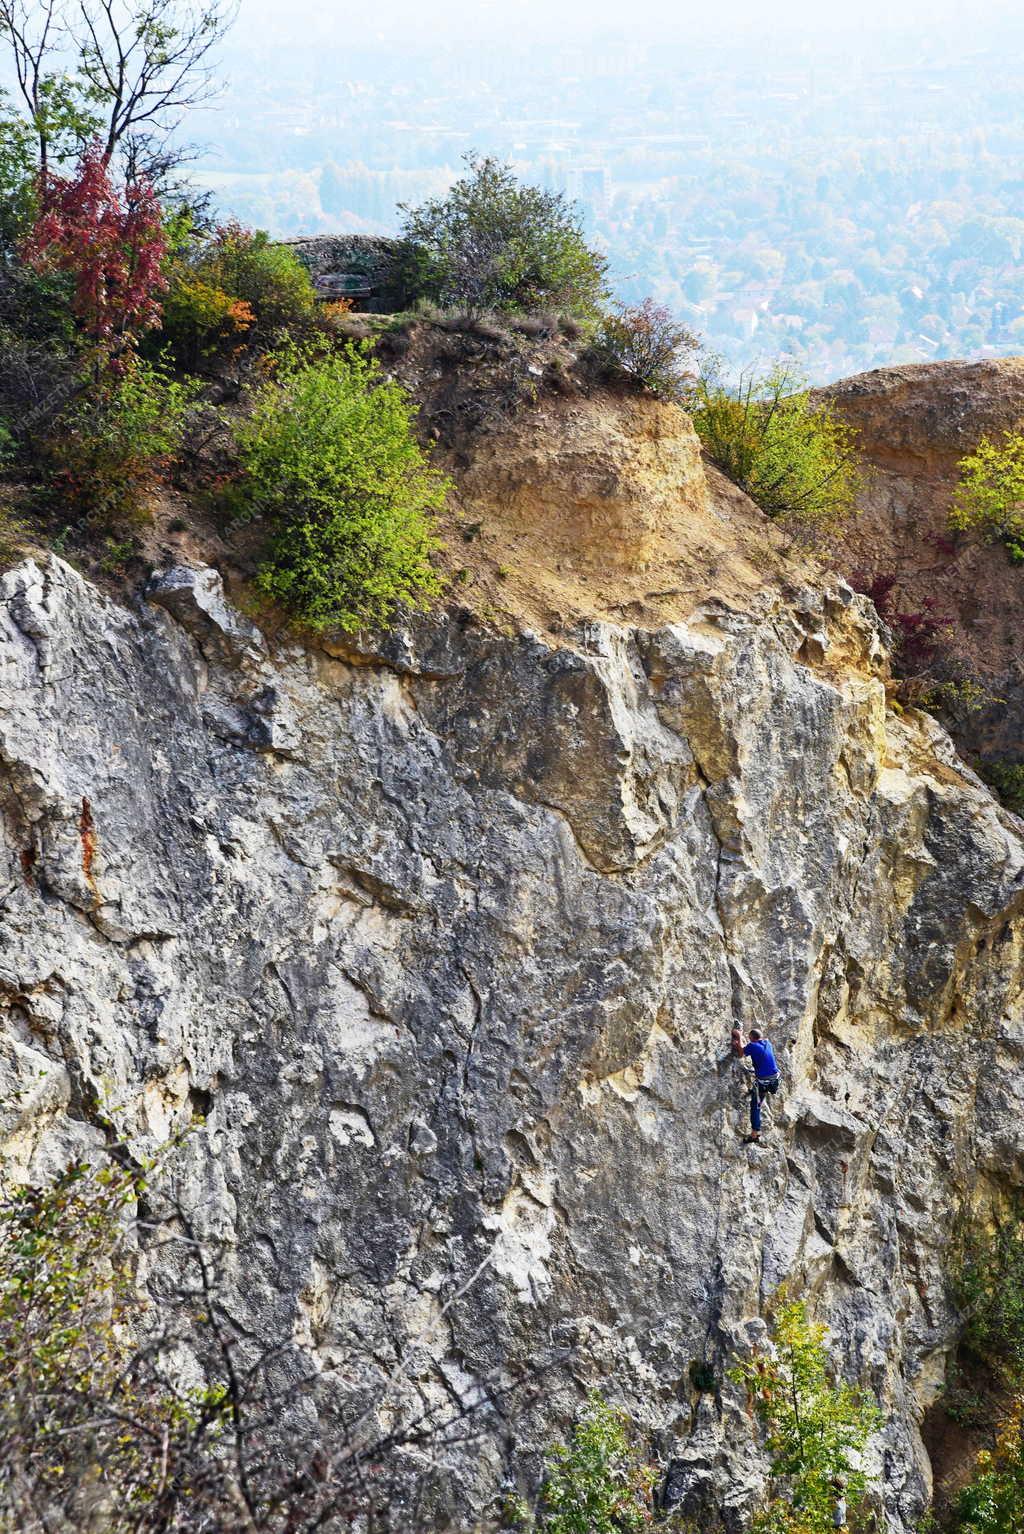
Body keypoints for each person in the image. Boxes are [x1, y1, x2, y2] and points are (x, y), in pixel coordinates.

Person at [731, 1025, 781, 1143]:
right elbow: (749, 1047)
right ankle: (754, 1090)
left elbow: (741, 1053)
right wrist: (742, 1040)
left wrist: (738, 1036)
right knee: (757, 1082)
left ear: (752, 1038)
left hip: (764, 1081)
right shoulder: (767, 1043)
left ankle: (755, 1134)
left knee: (755, 1107)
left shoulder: (752, 1046)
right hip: (775, 1078)